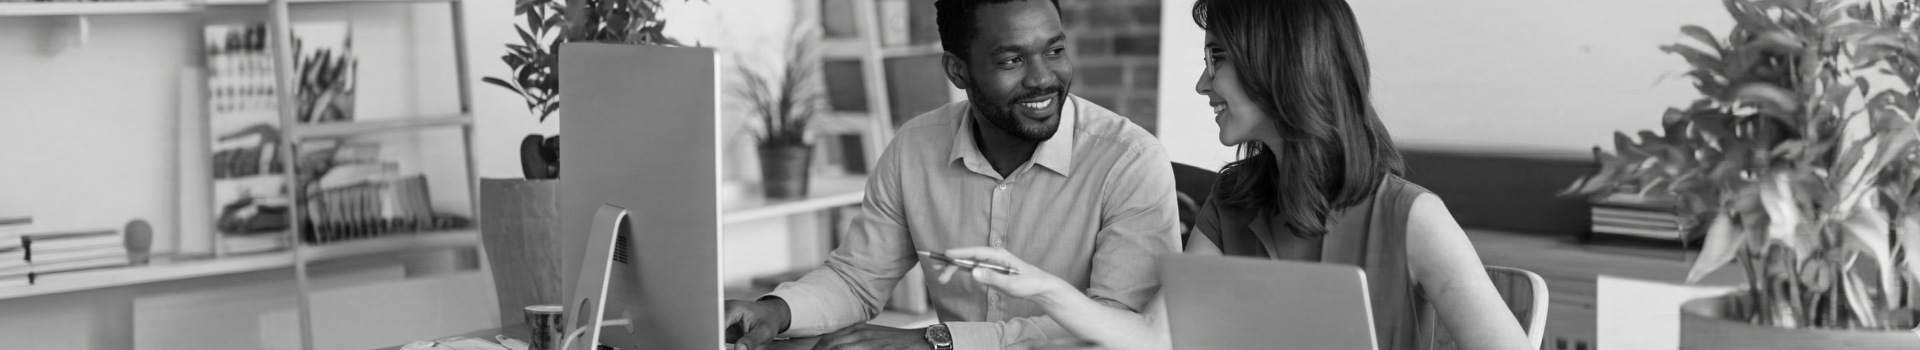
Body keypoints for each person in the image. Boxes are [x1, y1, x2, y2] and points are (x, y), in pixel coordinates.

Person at [933, 1, 1535, 350]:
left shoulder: (1410, 217)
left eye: (1217, 58)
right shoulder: (1234, 201)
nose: (1203, 84)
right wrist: (1039, 286)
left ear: (1280, 66)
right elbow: (1154, 337)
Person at [721, 0, 1182, 349]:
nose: (1043, 78)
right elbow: (858, 277)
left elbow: (1119, 330)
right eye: (1011, 60)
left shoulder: (1130, 161)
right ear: (957, 70)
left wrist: (936, 341)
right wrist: (774, 311)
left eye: (1054, 50)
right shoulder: (915, 148)